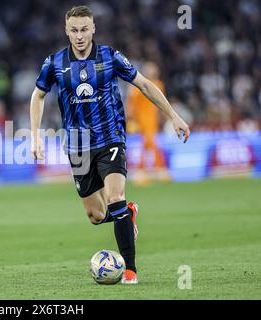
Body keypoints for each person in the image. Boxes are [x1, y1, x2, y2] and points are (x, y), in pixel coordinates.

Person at [30, 5, 190, 284]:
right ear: (66, 31)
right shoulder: (54, 63)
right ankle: (127, 215)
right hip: (77, 144)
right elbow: (38, 96)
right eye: (74, 30)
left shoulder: (110, 56)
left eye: (84, 29)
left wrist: (174, 116)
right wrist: (34, 135)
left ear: (93, 29)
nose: (79, 35)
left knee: (115, 196)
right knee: (96, 215)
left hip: (110, 137)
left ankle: (130, 270)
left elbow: (145, 85)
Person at [126, 61, 170, 184]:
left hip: (153, 119)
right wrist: (131, 119)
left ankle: (142, 173)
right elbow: (132, 104)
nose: (153, 72)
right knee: (150, 143)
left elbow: (162, 102)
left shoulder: (159, 84)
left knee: (148, 144)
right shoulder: (137, 86)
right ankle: (158, 170)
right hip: (142, 119)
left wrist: (164, 115)